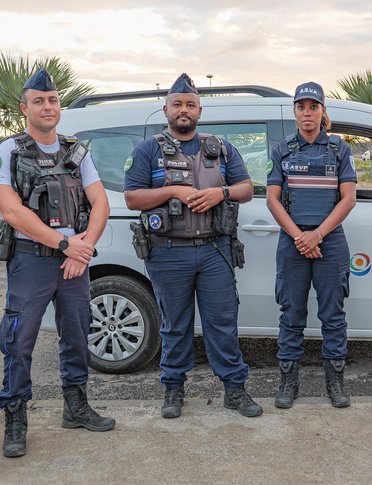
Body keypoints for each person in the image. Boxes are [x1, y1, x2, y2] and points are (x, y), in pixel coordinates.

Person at [123, 73, 262, 418]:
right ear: (165, 109)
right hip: (168, 251)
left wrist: (222, 192)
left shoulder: (222, 149)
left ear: (200, 110)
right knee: (174, 324)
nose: (183, 110)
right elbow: (131, 197)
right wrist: (171, 191)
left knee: (222, 322)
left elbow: (247, 189)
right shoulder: (147, 150)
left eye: (189, 105)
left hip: (215, 250)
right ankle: (173, 390)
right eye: (176, 105)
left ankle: (234, 390)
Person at [0, 68, 113, 457]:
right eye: (39, 100)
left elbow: (101, 203)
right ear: (24, 107)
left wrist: (84, 248)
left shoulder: (77, 151)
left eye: (53, 99)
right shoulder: (9, 150)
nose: (48, 106)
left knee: (78, 334)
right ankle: (15, 416)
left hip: (74, 261)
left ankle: (75, 407)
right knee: (19, 340)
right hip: (32, 262)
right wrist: (66, 245)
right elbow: (12, 211)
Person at [266, 82, 358, 409]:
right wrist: (300, 238)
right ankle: (289, 382)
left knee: (333, 314)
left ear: (322, 111)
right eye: (301, 107)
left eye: (313, 107)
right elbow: (273, 201)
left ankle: (335, 382)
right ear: (294, 112)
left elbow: (348, 200)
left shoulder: (339, 149)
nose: (308, 113)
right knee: (291, 314)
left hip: (329, 241)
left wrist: (316, 235)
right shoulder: (281, 150)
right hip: (293, 242)